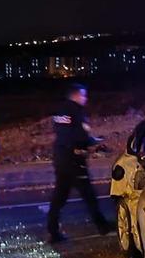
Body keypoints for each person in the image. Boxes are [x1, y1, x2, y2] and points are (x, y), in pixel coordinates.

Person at [47, 83, 111, 243]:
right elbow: (79, 135)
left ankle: (53, 230)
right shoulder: (76, 111)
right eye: (83, 95)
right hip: (74, 160)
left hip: (61, 158)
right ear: (75, 95)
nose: (85, 98)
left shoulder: (60, 111)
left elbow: (63, 133)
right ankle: (102, 226)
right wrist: (92, 142)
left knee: (59, 196)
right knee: (89, 195)